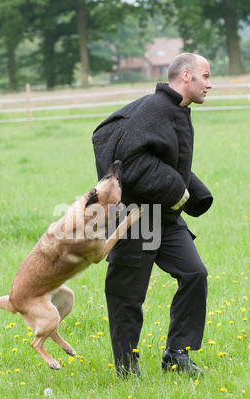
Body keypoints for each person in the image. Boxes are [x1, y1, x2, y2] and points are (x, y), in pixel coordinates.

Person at [92, 53, 213, 376]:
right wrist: (178, 191)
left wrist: (193, 193)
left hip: (167, 218)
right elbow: (127, 162)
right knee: (127, 295)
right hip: (136, 220)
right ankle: (126, 367)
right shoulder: (153, 108)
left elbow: (163, 158)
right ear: (186, 76)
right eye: (205, 76)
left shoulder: (174, 108)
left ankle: (177, 354)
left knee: (194, 274)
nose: (209, 84)